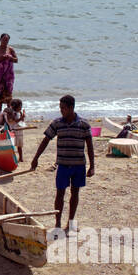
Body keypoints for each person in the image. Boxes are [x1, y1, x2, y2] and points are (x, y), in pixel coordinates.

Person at [29, 94, 95, 233]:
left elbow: (89, 146)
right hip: (63, 165)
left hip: (78, 165)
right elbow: (45, 140)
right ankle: (58, 223)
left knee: (75, 193)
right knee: (60, 194)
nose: (61, 111)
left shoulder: (83, 124)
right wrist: (36, 158)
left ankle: (70, 222)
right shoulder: (57, 123)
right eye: (60, 108)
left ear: (71, 108)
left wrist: (92, 166)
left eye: (63, 108)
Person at [0, 34, 17, 107]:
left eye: (7, 40)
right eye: (4, 39)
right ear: (0, 39)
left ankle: (9, 108)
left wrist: (10, 58)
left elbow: (16, 60)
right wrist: (0, 58)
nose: (5, 41)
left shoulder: (10, 49)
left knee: (9, 90)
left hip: (9, 74)